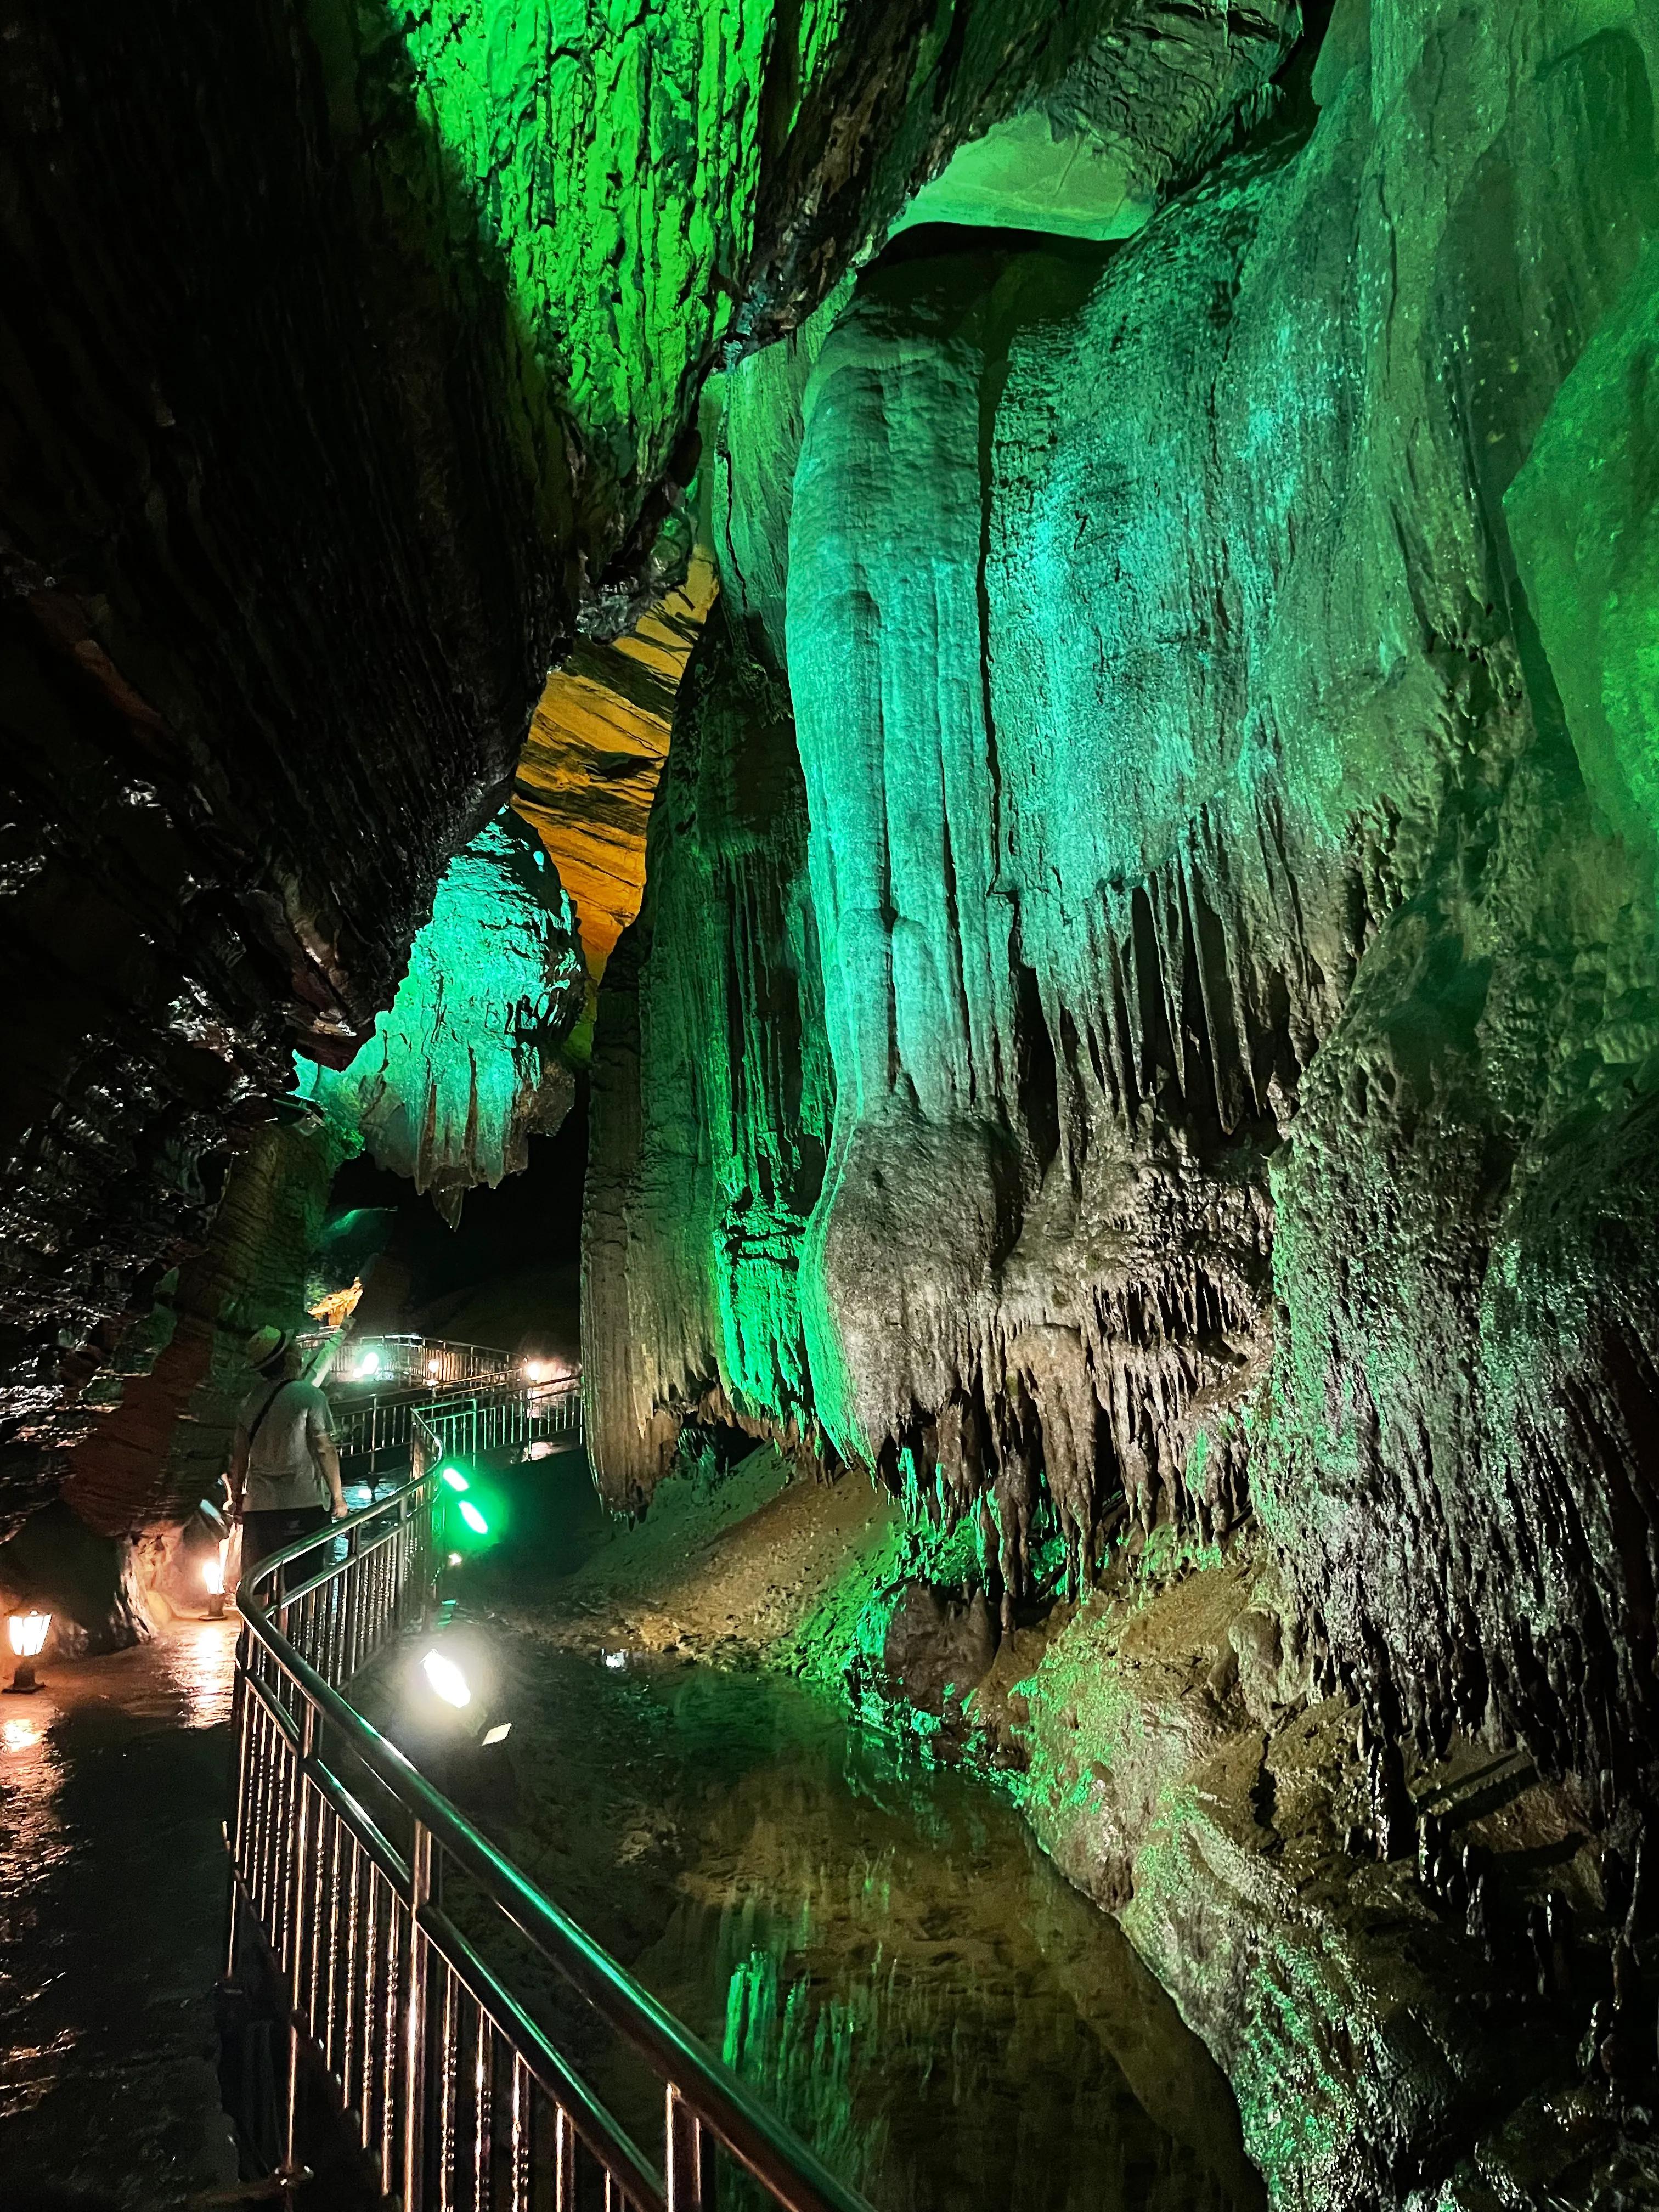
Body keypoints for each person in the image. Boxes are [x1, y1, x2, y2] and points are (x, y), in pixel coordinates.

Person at [229, 1325, 349, 1572]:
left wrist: (237, 1499)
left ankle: (261, 1613)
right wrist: (338, 1498)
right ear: (289, 1358)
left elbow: (240, 1456)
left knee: (260, 1582)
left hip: (259, 1506)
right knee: (303, 1583)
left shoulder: (249, 1401)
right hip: (303, 1502)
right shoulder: (309, 1395)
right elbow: (325, 1448)